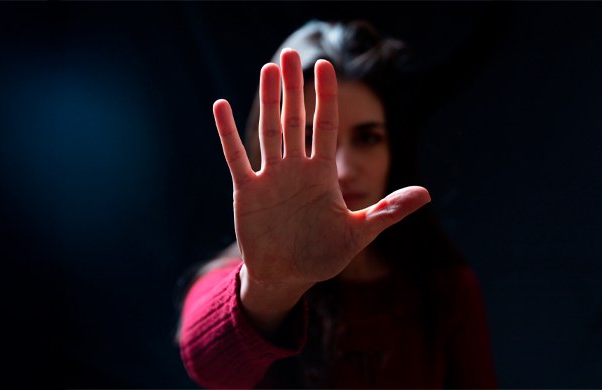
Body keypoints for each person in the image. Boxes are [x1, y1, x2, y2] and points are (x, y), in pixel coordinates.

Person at [178, 20, 497, 388]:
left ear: (395, 151)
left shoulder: (445, 289)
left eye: (367, 138)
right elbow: (209, 367)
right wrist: (272, 286)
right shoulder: (242, 279)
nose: (343, 169)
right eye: (311, 137)